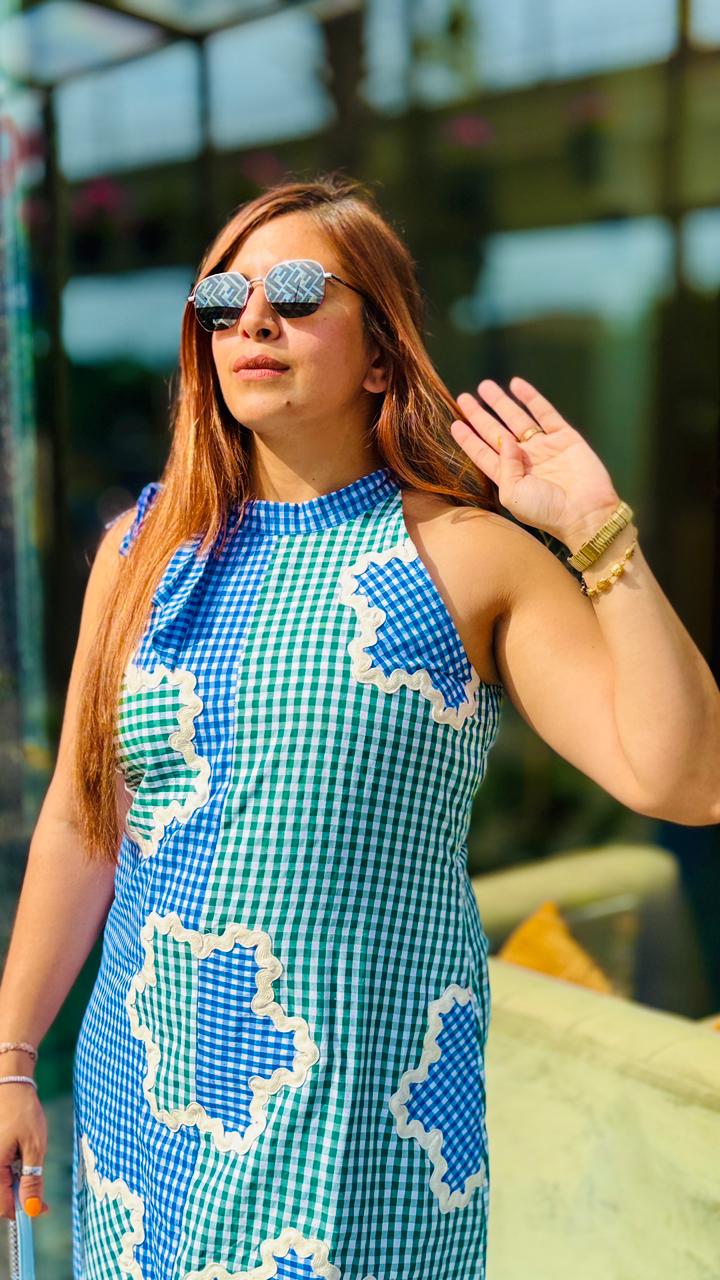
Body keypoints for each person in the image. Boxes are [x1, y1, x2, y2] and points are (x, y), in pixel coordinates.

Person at [1, 173, 717, 1280]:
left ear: (381, 354)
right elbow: (81, 822)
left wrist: (599, 534)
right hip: (146, 1112)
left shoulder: (466, 558)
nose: (252, 319)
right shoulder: (141, 551)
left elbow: (687, 780)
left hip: (359, 1134)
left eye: (295, 292)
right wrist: (13, 1057)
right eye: (223, 298)